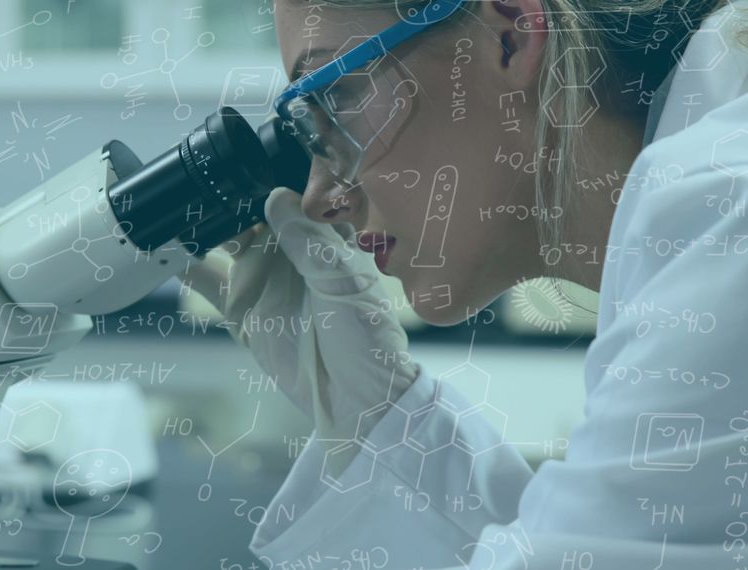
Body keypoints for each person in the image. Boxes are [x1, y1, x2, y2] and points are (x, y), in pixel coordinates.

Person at [185, 0, 748, 567]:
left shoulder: (726, 207)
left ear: (510, 35)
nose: (318, 198)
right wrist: (382, 419)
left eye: (335, 99)